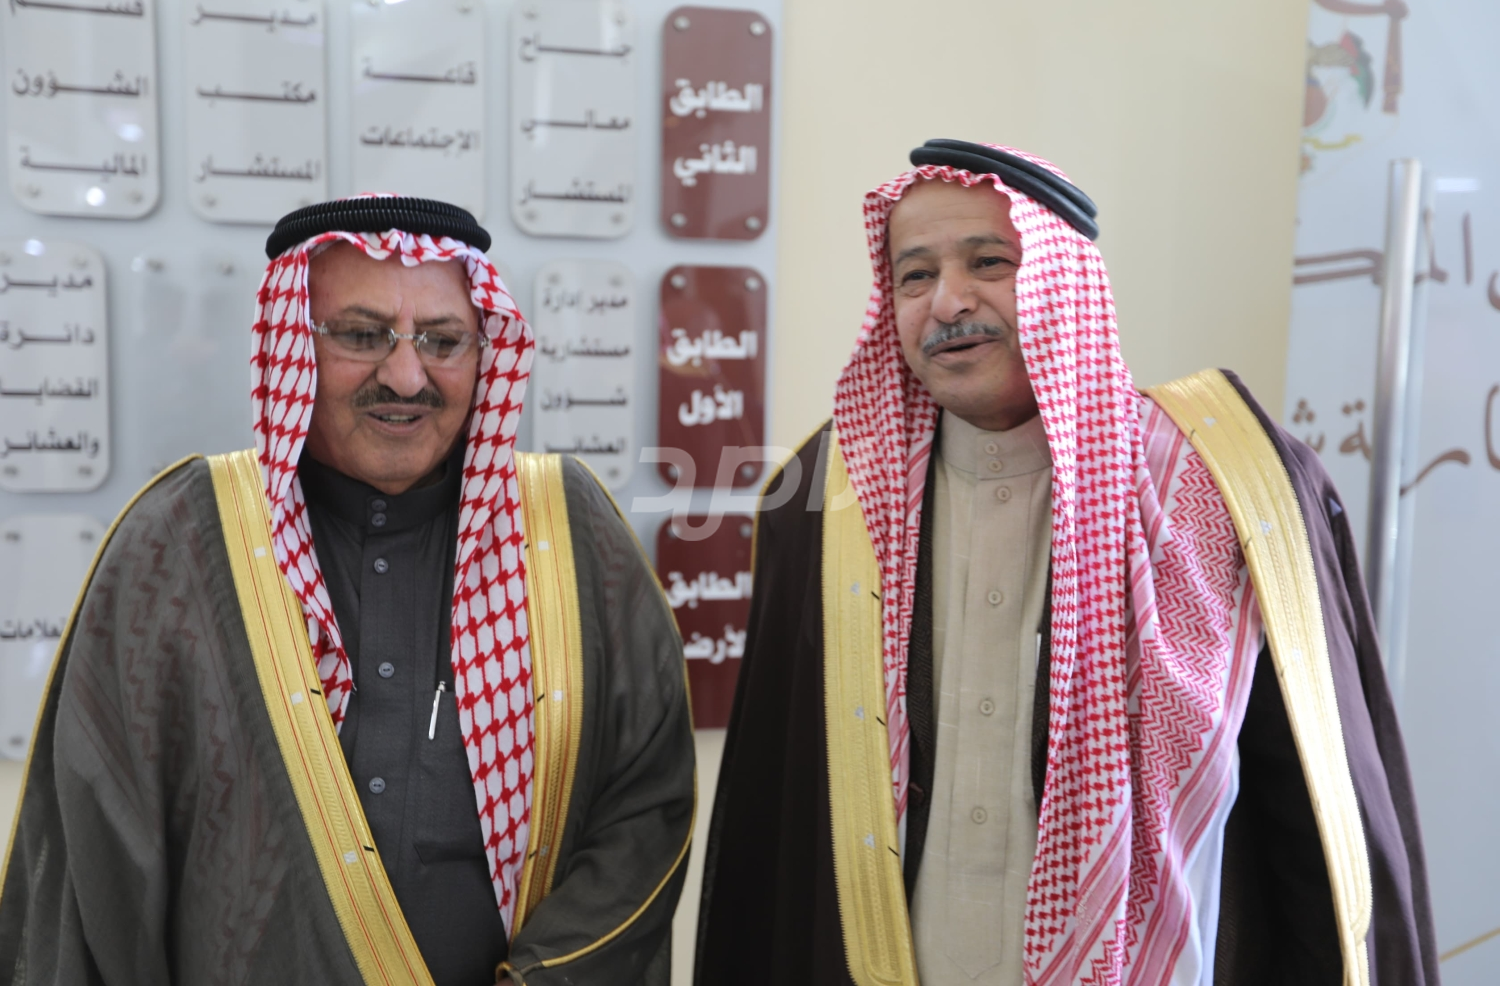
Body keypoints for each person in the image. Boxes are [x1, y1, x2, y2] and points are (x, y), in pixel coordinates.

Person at [695, 141, 1439, 986]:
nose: (948, 302)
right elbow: (779, 810)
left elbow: (1311, 811)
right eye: (915, 276)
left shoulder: (1221, 483)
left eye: (989, 263)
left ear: (1065, 280)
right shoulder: (828, 499)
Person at [0, 197, 694, 986]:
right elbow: (94, 862)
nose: (406, 376)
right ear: (292, 346)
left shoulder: (568, 530)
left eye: (443, 341)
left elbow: (647, 803)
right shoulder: (180, 542)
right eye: (362, 336)